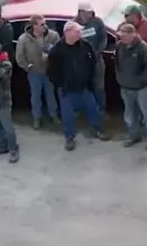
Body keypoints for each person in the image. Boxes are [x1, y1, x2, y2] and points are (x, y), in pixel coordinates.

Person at [47, 21, 110, 151]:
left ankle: (98, 130)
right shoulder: (57, 50)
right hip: (67, 90)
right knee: (68, 115)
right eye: (78, 31)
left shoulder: (85, 45)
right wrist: (61, 84)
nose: (80, 33)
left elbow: (92, 62)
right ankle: (69, 137)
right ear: (68, 33)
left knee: (93, 109)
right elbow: (51, 71)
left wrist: (90, 80)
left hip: (84, 87)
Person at [115, 22, 147, 151]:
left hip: (142, 88)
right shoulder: (119, 47)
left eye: (123, 35)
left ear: (132, 34)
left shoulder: (142, 48)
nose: (121, 37)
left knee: (146, 113)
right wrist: (120, 79)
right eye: (120, 35)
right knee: (129, 113)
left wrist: (142, 82)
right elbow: (117, 64)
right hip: (126, 86)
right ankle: (133, 135)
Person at [16, 14, 60, 129]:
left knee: (50, 94)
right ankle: (37, 117)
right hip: (34, 72)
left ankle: (53, 114)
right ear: (34, 26)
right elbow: (19, 57)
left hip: (49, 71)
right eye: (42, 24)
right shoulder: (23, 39)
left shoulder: (53, 36)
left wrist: (52, 59)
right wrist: (28, 67)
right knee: (35, 96)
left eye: (45, 23)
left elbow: (60, 51)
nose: (45, 26)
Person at [74, 2, 107, 110]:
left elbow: (103, 39)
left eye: (90, 12)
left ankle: (101, 109)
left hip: (97, 60)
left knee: (99, 87)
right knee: (82, 87)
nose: (90, 15)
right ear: (80, 12)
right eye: (87, 13)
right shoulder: (73, 25)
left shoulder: (97, 22)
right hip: (81, 62)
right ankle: (85, 109)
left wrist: (96, 53)